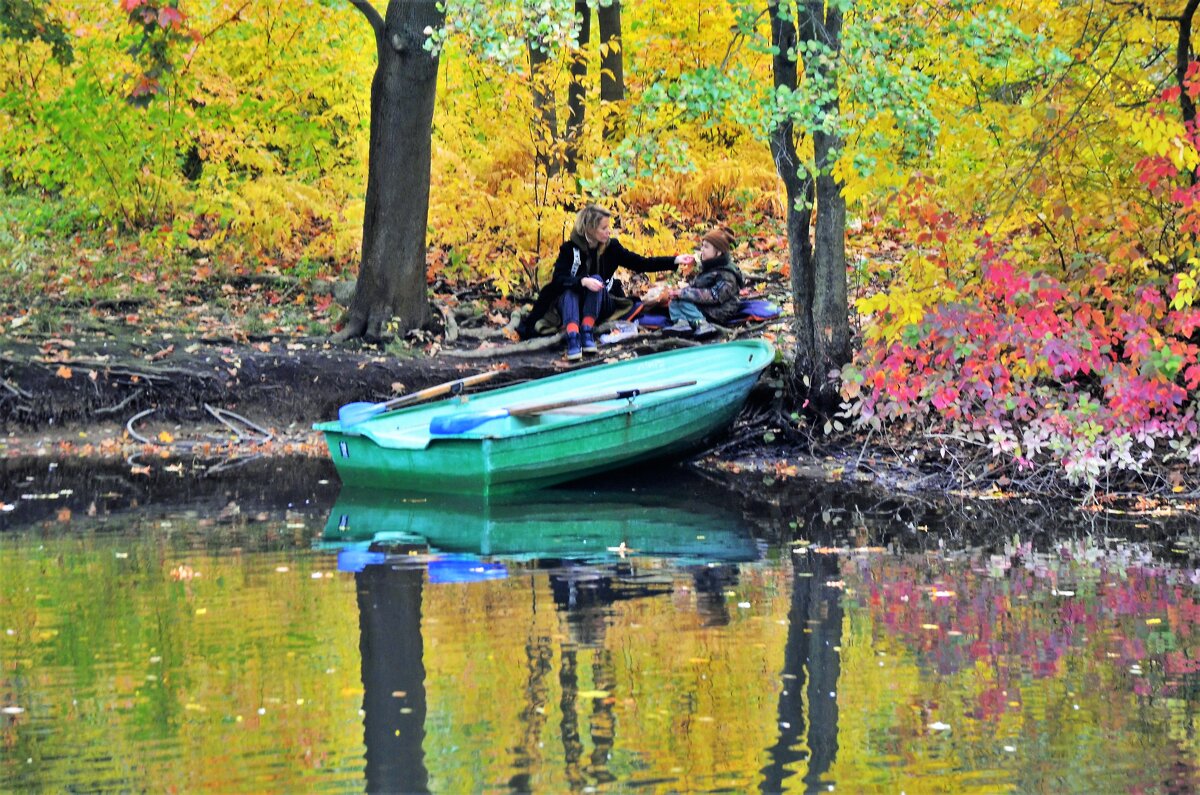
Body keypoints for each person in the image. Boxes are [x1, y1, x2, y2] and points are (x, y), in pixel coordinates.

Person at [515, 205, 692, 360]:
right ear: (589, 229)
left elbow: (641, 263)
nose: (609, 231)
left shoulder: (612, 247)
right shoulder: (570, 250)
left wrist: (674, 261)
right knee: (570, 290)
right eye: (603, 228)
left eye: (609, 227)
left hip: (602, 304)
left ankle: (586, 332)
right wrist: (582, 281)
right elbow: (559, 278)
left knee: (597, 280)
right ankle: (573, 337)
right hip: (571, 306)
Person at [661, 227, 744, 338]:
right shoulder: (710, 266)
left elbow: (715, 296)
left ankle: (702, 324)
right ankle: (682, 323)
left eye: (706, 247)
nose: (702, 250)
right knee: (675, 300)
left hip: (720, 309)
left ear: (718, 252)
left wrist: (685, 293)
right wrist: (679, 292)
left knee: (684, 302)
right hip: (706, 305)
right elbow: (698, 286)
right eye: (702, 246)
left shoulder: (727, 274)